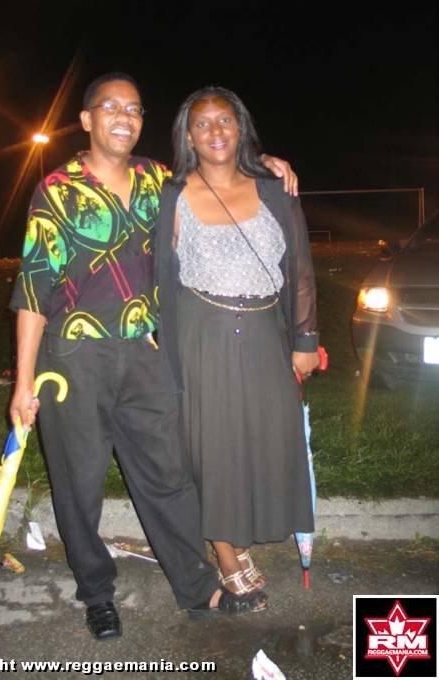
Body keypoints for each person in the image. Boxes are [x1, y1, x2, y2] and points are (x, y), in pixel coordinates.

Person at [9, 72, 297, 640]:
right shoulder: (57, 189)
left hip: (144, 354)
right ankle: (97, 593)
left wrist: (266, 164)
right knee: (79, 486)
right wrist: (23, 382)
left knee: (169, 475)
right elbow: (34, 289)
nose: (125, 117)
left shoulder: (157, 180)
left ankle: (198, 588)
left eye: (135, 109)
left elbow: (220, 172)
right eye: (111, 107)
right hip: (72, 360)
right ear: (86, 119)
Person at [155, 86, 320, 596]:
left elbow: (300, 267)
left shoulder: (274, 186)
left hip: (267, 331)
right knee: (214, 444)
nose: (215, 131)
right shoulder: (171, 194)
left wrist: (305, 338)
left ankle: (246, 527)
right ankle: (226, 549)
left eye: (224, 120)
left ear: (241, 126)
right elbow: (160, 275)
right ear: (188, 136)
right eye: (202, 123)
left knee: (266, 434)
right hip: (201, 332)